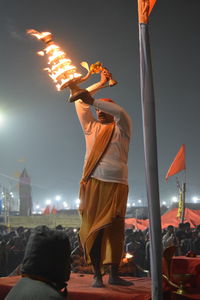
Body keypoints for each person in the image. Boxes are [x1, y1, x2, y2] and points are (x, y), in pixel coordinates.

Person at [73, 69, 132, 287]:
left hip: (118, 185)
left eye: (102, 108)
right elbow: (80, 103)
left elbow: (121, 112)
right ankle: (97, 275)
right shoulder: (91, 128)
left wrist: (95, 100)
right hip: (93, 184)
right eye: (97, 109)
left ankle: (114, 273)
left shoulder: (122, 129)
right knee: (94, 229)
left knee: (115, 230)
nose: (98, 112)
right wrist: (100, 83)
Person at [5, 226, 71, 300]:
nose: (70, 264)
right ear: (58, 263)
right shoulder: (51, 297)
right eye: (67, 259)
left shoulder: (20, 287)